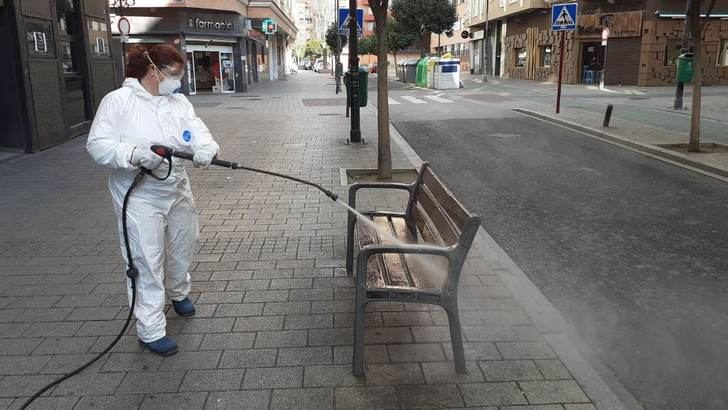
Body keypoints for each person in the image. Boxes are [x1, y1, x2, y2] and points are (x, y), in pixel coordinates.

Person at [86, 44, 219, 356]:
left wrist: (206, 147)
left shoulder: (177, 101)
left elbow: (195, 129)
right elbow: (97, 145)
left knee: (186, 240)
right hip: (139, 193)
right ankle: (150, 328)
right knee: (146, 259)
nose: (178, 80)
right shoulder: (119, 102)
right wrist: (133, 154)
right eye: (173, 74)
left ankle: (178, 290)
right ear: (152, 70)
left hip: (177, 186)